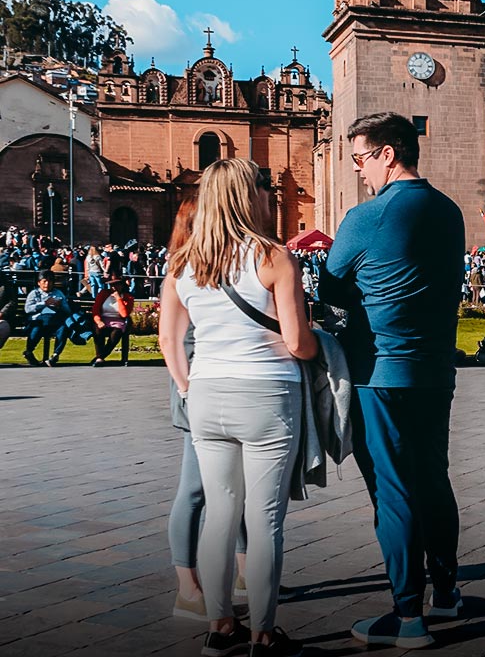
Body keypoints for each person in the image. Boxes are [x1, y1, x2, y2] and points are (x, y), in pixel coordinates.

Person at [319, 112, 465, 650]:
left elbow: (329, 291)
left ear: (388, 153)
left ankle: (408, 617)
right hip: (434, 371)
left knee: (393, 490)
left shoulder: (367, 216)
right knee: (434, 479)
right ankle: (446, 592)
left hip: (378, 374)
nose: (358, 170)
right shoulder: (449, 211)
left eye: (360, 158)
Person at [160, 158, 317, 657]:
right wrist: (318, 343)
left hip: (206, 392)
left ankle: (219, 625)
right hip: (266, 393)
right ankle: (264, 632)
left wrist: (187, 387)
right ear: (249, 196)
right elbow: (297, 342)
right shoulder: (272, 257)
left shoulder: (183, 263)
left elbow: (171, 341)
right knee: (265, 517)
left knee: (220, 515)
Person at [163, 193, 250, 624]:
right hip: (196, 384)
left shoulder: (227, 261)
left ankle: (247, 572)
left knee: (240, 485)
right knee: (196, 488)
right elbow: (170, 339)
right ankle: (187, 587)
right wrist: (184, 388)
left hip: (223, 386)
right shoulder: (182, 269)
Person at [23, 270, 71, 366]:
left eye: (50, 281)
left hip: (54, 321)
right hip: (38, 320)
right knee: (36, 328)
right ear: (39, 282)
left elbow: (68, 310)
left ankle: (55, 355)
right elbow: (28, 309)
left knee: (63, 329)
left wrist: (60, 305)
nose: (47, 284)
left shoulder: (58, 293)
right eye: (44, 281)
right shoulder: (34, 293)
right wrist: (44, 303)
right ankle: (29, 352)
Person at [91, 274, 135, 366]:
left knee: (116, 334)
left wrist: (118, 298)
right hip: (104, 319)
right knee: (98, 330)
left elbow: (124, 314)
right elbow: (96, 309)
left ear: (122, 285)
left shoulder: (128, 297)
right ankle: (99, 357)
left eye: (117, 285)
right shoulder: (103, 293)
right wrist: (98, 321)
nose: (114, 287)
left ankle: (100, 357)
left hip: (118, 321)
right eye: (112, 285)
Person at [0, 271, 17, 350]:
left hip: (3, 319)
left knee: (3, 327)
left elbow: (12, 302)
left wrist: (2, 312)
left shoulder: (6, 286)